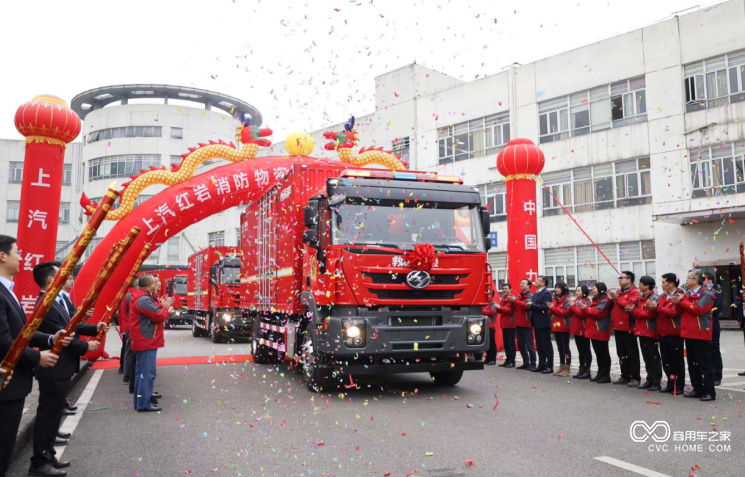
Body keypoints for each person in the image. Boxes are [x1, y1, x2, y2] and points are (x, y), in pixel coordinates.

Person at [0, 235, 71, 477]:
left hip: (14, 382)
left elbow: (24, 333)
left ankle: (42, 459)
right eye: (17, 252)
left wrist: (50, 339)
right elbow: (5, 342)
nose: (21, 257)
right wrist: (37, 357)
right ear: (2, 256)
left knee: (7, 444)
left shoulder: (8, 291)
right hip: (7, 380)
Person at [29, 262, 106, 476]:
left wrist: (93, 327)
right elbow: (64, 336)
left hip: (60, 368)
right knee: (47, 416)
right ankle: (39, 463)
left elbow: (73, 325)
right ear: (51, 280)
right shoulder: (45, 304)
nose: (67, 277)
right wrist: (86, 346)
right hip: (53, 367)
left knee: (53, 416)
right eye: (62, 274)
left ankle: (48, 456)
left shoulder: (56, 301)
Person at [129, 275, 173, 412]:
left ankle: (140, 401)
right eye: (155, 282)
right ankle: (143, 403)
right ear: (149, 285)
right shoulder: (143, 299)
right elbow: (158, 315)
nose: (158, 284)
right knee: (147, 374)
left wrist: (163, 306)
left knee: (141, 374)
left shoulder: (143, 297)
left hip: (143, 340)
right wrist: (166, 308)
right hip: (146, 340)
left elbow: (156, 309)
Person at [672, 270, 716, 401]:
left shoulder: (706, 294)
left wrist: (682, 301)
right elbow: (680, 311)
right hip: (688, 332)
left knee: (704, 364)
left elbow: (699, 310)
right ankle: (697, 388)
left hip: (700, 333)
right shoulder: (686, 295)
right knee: (692, 364)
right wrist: (677, 302)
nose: (686, 279)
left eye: (689, 277)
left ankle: (709, 391)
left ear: (696, 280)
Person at [653, 273, 686, 395]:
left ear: (671, 284)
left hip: (675, 333)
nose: (661, 285)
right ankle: (670, 383)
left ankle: (680, 385)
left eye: (663, 282)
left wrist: (657, 308)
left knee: (677, 361)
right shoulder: (662, 296)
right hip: (662, 332)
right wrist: (653, 306)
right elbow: (657, 309)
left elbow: (674, 312)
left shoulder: (680, 296)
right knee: (666, 360)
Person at [607, 271, 642, 387]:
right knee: (621, 353)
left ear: (629, 280)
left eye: (621, 277)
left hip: (628, 327)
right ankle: (625, 375)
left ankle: (635, 377)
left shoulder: (635, 292)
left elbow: (628, 306)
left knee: (631, 353)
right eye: (619, 277)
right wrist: (612, 299)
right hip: (618, 326)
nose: (619, 279)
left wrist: (617, 299)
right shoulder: (619, 291)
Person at [630, 276, 662, 391]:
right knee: (646, 357)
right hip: (641, 331)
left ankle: (656, 381)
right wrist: (634, 310)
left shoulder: (654, 298)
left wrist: (634, 310)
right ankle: (649, 379)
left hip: (650, 331)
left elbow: (649, 315)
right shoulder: (640, 298)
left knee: (654, 357)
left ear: (647, 286)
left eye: (641, 284)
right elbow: (639, 313)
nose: (639, 285)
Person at [580, 282, 613, 384]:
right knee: (598, 353)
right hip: (593, 330)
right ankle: (600, 372)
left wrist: (586, 308)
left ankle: (606, 374)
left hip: (601, 330)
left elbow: (597, 312)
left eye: (594, 288)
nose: (592, 290)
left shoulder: (605, 300)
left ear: (600, 290)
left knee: (603, 353)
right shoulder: (596, 300)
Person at [58, 277, 79, 416]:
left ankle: (63, 403)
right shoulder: (56, 300)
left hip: (68, 347)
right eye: (68, 278)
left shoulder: (66, 298)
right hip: (59, 351)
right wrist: (86, 346)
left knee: (63, 382)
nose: (72, 281)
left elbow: (73, 319)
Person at [527, 276, 554, 374]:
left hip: (544, 323)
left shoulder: (546, 293)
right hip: (537, 322)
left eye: (538, 280)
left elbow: (545, 307)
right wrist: (530, 306)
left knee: (546, 345)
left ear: (543, 283)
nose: (535, 281)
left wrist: (532, 305)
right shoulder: (535, 293)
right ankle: (541, 364)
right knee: (539, 345)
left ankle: (549, 365)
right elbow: (534, 306)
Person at [510, 279, 536, 371]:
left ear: (529, 286)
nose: (521, 284)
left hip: (526, 323)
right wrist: (512, 301)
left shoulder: (531, 296)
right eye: (520, 283)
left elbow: (526, 306)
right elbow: (513, 308)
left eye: (523, 283)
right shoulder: (519, 295)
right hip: (518, 323)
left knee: (530, 345)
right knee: (521, 345)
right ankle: (526, 362)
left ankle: (533, 363)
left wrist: (515, 301)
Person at [547, 282, 572, 377]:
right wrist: (550, 308)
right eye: (556, 287)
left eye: (559, 288)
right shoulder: (555, 299)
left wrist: (554, 308)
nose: (556, 289)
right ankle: (562, 366)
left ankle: (567, 367)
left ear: (564, 289)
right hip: (556, 326)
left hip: (564, 326)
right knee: (559, 348)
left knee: (566, 348)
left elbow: (566, 313)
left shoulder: (567, 300)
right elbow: (550, 313)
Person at [703, 273, 723, 386]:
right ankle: (707, 375)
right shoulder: (700, 293)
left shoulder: (716, 293)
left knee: (714, 351)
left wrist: (701, 311)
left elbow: (717, 309)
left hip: (712, 326)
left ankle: (717, 375)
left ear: (709, 280)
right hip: (701, 327)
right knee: (704, 352)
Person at [570, 285, 592, 379]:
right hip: (576, 328)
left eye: (578, 290)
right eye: (576, 290)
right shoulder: (576, 301)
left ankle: (587, 370)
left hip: (583, 329)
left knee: (586, 350)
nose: (576, 292)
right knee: (580, 351)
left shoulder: (587, 301)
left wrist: (572, 307)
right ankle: (581, 368)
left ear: (584, 292)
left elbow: (582, 314)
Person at [495, 284, 516, 368]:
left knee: (511, 344)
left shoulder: (512, 298)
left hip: (510, 324)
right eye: (503, 289)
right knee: (506, 344)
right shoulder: (503, 299)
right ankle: (508, 360)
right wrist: (498, 308)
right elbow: (501, 311)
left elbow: (511, 311)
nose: (504, 290)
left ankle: (512, 361)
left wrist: (500, 307)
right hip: (504, 323)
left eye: (506, 289)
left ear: (510, 289)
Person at [480, 293, 500, 366]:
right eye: (487, 294)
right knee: (486, 343)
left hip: (491, 325)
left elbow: (492, 312)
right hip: (484, 325)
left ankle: (493, 359)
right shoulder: (484, 302)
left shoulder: (493, 303)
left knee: (492, 343)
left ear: (492, 295)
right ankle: (488, 358)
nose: (488, 296)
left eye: (489, 294)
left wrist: (483, 310)